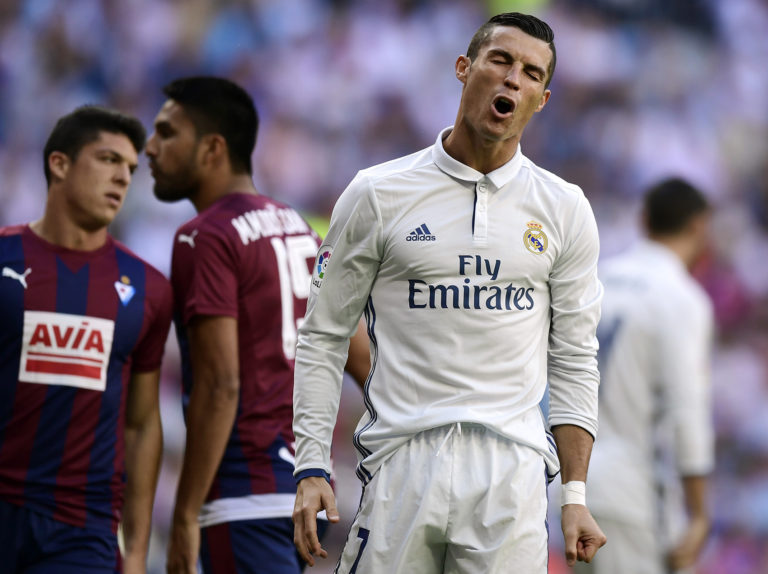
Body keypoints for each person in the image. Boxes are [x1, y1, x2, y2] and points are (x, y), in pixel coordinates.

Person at [292, 12, 606, 573]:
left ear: (542, 99)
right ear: (464, 68)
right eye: (500, 60)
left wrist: (575, 496)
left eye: (531, 73)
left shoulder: (564, 208)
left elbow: (576, 356)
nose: (513, 79)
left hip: (511, 471)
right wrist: (312, 464)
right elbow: (323, 334)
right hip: (402, 461)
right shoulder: (378, 192)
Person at [146, 76, 370, 574]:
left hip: (244, 495)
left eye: (167, 133)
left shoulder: (204, 237)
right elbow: (365, 363)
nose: (151, 147)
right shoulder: (301, 229)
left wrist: (185, 513)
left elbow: (220, 385)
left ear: (212, 149)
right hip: (309, 492)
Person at [0, 106, 173, 573]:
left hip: (82, 531)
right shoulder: (4, 257)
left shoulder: (149, 288)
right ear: (59, 164)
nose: (122, 178)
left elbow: (141, 425)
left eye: (130, 169)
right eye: (108, 160)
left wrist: (135, 552)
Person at [574, 178, 714, 574]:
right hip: (634, 494)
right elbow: (687, 411)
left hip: (575, 487)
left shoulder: (595, 280)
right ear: (699, 226)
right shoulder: (680, 297)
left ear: (644, 219)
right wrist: (699, 514)